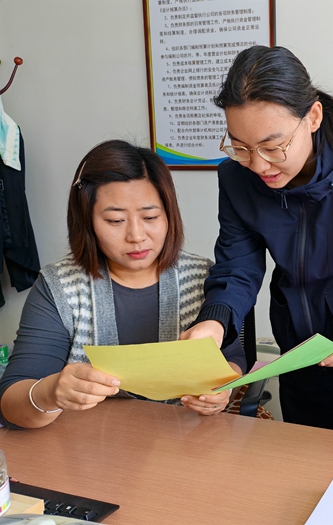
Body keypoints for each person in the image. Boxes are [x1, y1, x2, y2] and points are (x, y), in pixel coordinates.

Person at [180, 45, 333, 442]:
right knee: (308, 455)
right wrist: (215, 319)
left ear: (313, 117)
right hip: (300, 344)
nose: (258, 164)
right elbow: (238, 266)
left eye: (272, 146)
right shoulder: (237, 179)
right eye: (240, 147)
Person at [0, 140, 246, 429]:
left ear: (169, 215)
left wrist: (222, 391)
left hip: (184, 441)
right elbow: (11, 403)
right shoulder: (60, 287)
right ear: (87, 221)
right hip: (87, 445)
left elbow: (232, 359)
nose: (136, 236)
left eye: (150, 217)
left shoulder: (203, 277)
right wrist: (50, 392)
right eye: (115, 220)